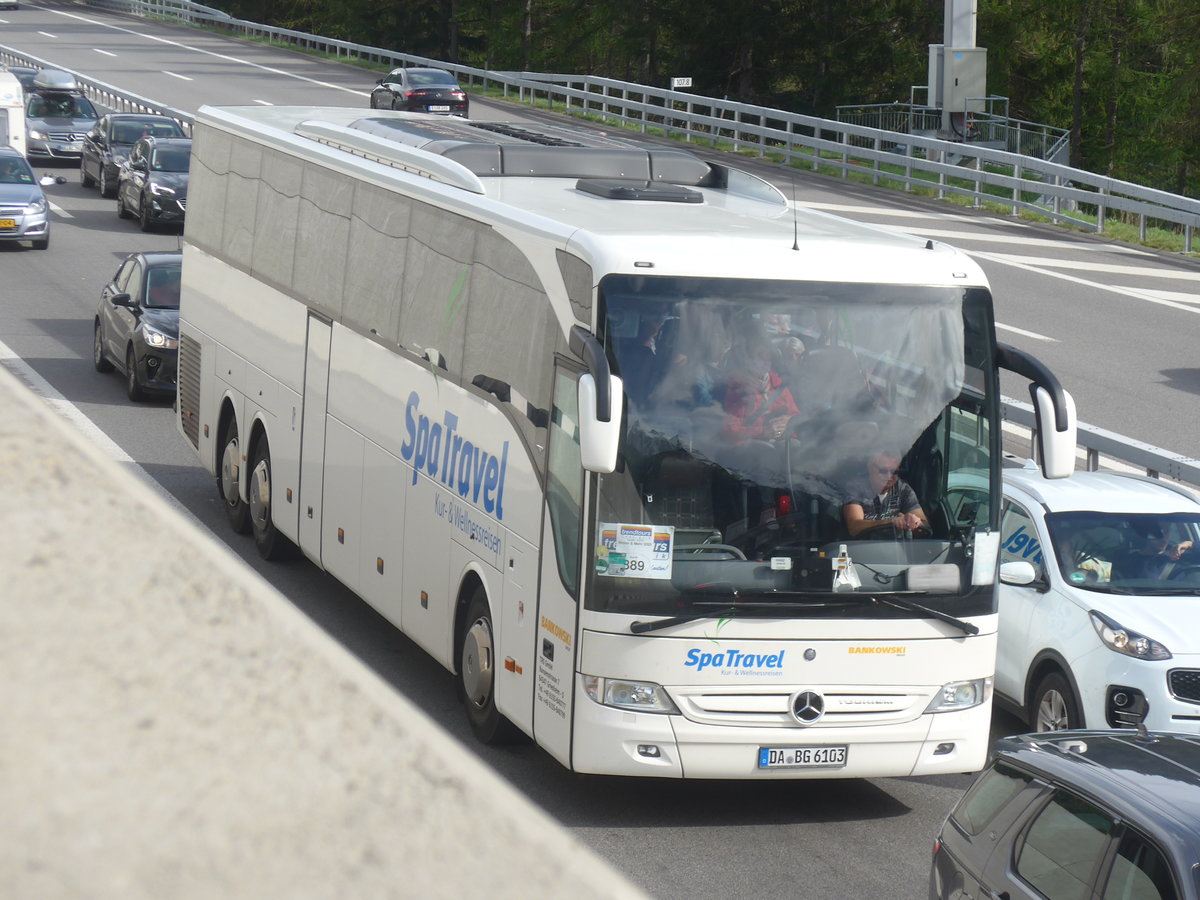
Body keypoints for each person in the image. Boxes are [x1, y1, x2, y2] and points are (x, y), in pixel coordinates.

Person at [721, 342, 800, 443]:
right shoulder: (736, 387)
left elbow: (796, 416)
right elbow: (729, 430)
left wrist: (787, 422)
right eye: (760, 357)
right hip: (748, 448)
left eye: (768, 358)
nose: (766, 362)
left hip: (781, 443)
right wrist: (762, 432)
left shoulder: (777, 385)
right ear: (747, 360)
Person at [842, 448, 928, 537]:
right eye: (883, 471)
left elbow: (926, 528)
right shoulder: (855, 488)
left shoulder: (903, 489)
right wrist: (891, 521)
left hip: (896, 549)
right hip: (862, 548)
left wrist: (915, 522)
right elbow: (854, 527)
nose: (889, 476)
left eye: (894, 472)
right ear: (870, 468)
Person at [1113, 523, 1194, 580]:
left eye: (1166, 532)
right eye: (1157, 533)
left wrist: (1190, 544)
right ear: (1146, 534)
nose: (1164, 538)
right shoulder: (1127, 560)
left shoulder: (1179, 555)